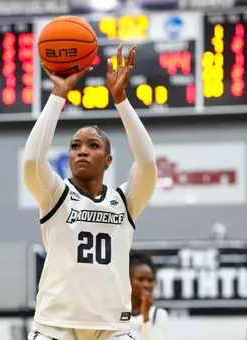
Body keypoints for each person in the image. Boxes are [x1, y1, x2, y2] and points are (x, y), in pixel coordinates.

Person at [23, 43, 157, 340]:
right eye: (75, 146)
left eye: (93, 145)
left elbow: (147, 162)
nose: (82, 151)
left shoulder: (125, 200)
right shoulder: (54, 194)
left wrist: (121, 99)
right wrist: (58, 96)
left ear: (108, 160)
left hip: (111, 326)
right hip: (56, 323)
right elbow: (32, 159)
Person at [129, 251, 168, 340]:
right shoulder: (115, 314)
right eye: (140, 279)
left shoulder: (158, 315)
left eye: (150, 280)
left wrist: (146, 319)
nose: (147, 285)